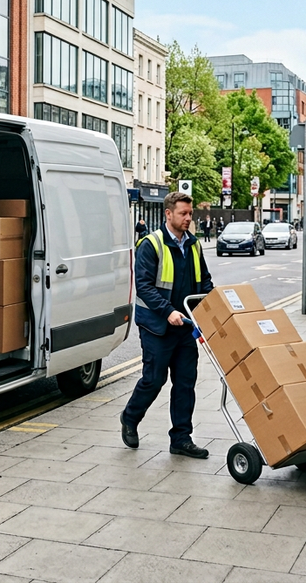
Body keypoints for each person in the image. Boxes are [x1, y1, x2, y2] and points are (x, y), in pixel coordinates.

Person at [121, 191, 215, 459]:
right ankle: (129, 417)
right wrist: (168, 311)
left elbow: (205, 282)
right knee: (154, 379)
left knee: (185, 383)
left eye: (191, 213)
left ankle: (181, 439)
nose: (188, 218)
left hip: (185, 326)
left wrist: (211, 305)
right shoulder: (151, 244)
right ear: (169, 214)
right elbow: (144, 287)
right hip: (157, 327)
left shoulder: (194, 245)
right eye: (183, 213)